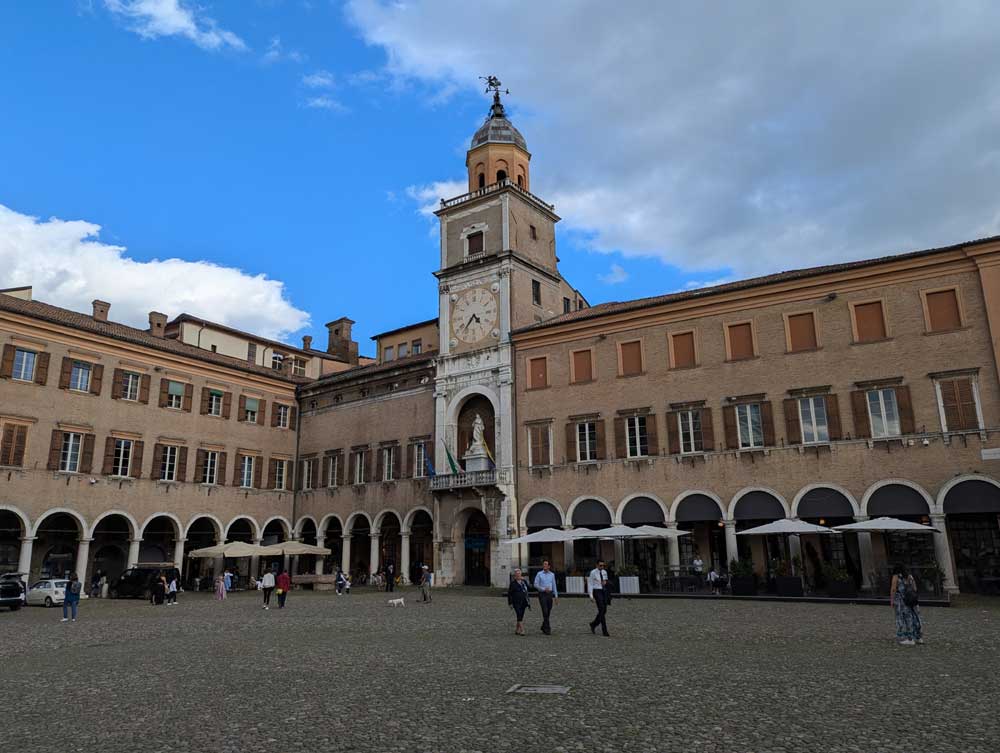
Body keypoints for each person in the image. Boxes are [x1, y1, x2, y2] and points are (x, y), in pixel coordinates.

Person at [891, 563, 923, 646]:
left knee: (906, 618)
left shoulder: (896, 576)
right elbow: (915, 588)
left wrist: (892, 600)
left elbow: (893, 589)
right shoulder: (910, 576)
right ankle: (918, 637)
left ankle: (910, 638)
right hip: (912, 600)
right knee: (916, 617)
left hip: (902, 601)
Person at [533, 560, 558, 635]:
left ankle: (544, 625)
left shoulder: (552, 575)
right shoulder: (539, 574)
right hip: (542, 594)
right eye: (544, 564)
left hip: (549, 594)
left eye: (546, 564)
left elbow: (554, 585)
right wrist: (543, 589)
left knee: (548, 611)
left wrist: (556, 596)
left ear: (549, 566)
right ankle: (547, 628)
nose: (544, 566)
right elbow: (535, 584)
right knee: (545, 610)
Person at [587, 559, 610, 637]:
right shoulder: (593, 572)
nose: (602, 567)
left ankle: (593, 624)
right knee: (601, 609)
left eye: (603, 565)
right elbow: (590, 584)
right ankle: (605, 630)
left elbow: (606, 581)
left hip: (604, 591)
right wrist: (591, 596)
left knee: (604, 610)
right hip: (597, 591)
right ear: (596, 565)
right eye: (600, 565)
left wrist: (605, 582)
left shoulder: (604, 572)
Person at [507, 568, 530, 636]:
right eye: (517, 574)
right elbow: (509, 594)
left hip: (524, 601)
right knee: (519, 613)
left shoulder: (524, 582)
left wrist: (524, 581)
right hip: (516, 602)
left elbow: (529, 588)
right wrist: (510, 603)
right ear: (515, 576)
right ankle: (522, 630)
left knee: (520, 615)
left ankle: (517, 630)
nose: (518, 575)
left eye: (519, 574)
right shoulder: (513, 584)